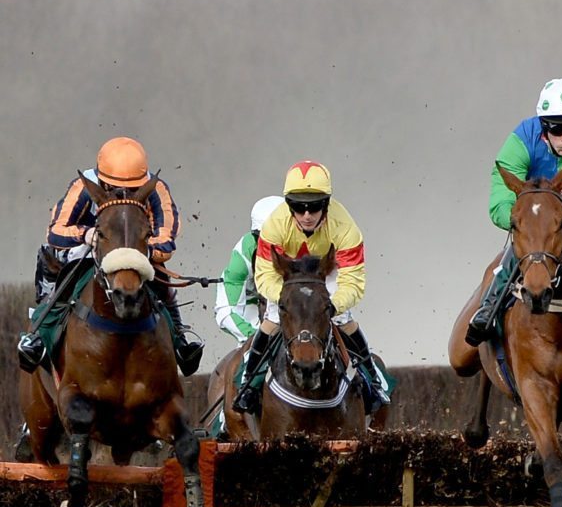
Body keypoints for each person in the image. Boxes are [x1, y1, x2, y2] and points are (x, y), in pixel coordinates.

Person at [16, 136, 205, 376]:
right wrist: (86, 235)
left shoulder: (156, 189)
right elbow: (56, 230)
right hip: (87, 247)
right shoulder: (83, 186)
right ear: (102, 181)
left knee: (157, 273)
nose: (123, 193)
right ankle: (38, 335)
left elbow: (166, 237)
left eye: (133, 189)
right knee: (58, 261)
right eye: (115, 187)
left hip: (135, 251)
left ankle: (179, 339)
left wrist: (142, 249)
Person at [464, 78, 562, 346]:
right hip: (534, 215)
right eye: (558, 130)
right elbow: (501, 201)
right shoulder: (521, 139)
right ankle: (488, 308)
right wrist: (521, 223)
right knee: (521, 249)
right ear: (543, 127)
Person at [232, 161, 389, 414]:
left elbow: (353, 282)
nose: (307, 215)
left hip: (327, 271)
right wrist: (286, 301)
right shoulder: (274, 225)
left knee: (343, 318)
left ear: (326, 204)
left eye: (314, 206)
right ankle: (249, 384)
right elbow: (265, 275)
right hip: (289, 275)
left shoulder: (345, 228)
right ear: (288, 205)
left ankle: (373, 381)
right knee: (272, 318)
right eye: (298, 206)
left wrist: (333, 306)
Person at [215, 196, 285, 344]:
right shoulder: (244, 252)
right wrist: (257, 340)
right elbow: (225, 311)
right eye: (265, 239)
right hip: (254, 312)